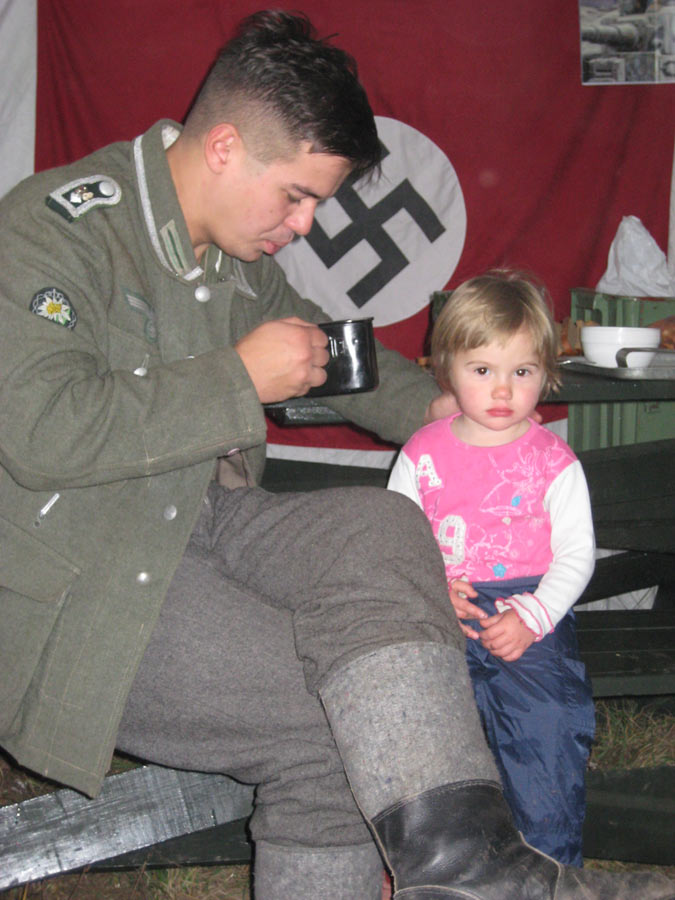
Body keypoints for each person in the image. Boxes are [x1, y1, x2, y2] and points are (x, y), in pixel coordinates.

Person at [0, 11, 672, 900]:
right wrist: (237, 378)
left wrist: (437, 407)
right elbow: (40, 430)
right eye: (296, 196)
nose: (307, 224)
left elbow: (334, 354)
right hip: (94, 566)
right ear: (225, 148)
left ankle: (468, 868)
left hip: (209, 520)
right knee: (332, 720)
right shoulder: (54, 229)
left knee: (383, 525)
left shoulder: (233, 255)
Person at [387, 270, 596, 866]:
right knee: (420, 733)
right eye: (483, 370)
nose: (503, 389)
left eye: (522, 372)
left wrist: (533, 615)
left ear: (545, 374)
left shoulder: (553, 460)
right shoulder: (422, 453)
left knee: (547, 726)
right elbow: (396, 538)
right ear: (447, 368)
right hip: (441, 609)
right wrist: (430, 589)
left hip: (530, 611)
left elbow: (578, 552)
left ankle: (546, 867)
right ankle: (434, 869)